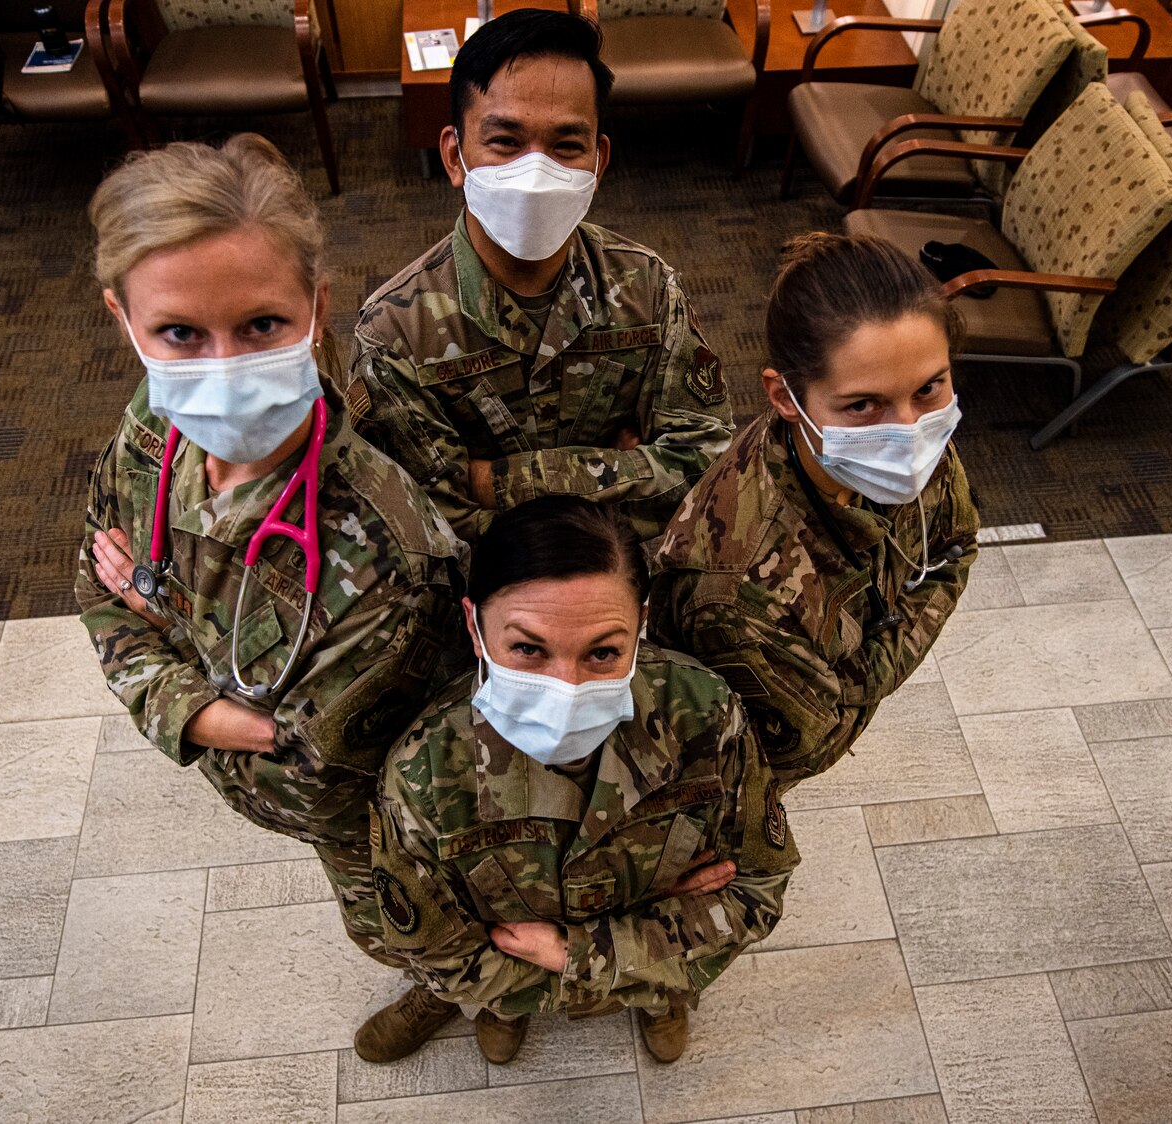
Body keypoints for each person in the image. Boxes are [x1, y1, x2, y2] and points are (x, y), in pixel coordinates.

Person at [76, 135, 464, 971]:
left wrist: (163, 625)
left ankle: (454, 989)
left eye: (261, 325)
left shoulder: (390, 554)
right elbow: (97, 590)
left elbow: (310, 767)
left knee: (406, 927)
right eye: (179, 332)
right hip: (267, 793)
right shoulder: (152, 425)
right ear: (124, 320)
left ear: (316, 310)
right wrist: (204, 707)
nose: (223, 370)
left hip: (368, 815)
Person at [355, 496, 796, 1068]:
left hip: (599, 954)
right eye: (527, 649)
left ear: (641, 624)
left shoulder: (705, 716)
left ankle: (658, 997)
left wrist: (572, 954)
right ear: (474, 625)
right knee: (483, 994)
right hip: (621, 955)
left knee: (650, 978)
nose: (566, 686)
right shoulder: (424, 770)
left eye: (603, 652)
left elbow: (757, 890)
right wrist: (637, 956)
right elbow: (437, 951)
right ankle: (511, 1008)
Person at [347, 9, 733, 545]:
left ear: (598, 162)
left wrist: (490, 482)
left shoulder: (647, 288)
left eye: (566, 146)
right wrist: (621, 471)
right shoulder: (395, 334)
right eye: (505, 142)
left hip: (620, 585)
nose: (535, 172)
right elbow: (420, 524)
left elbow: (705, 465)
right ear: (455, 157)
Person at [649, 233, 980, 789]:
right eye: (862, 405)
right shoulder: (735, 589)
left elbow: (956, 547)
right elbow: (812, 746)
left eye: (929, 388)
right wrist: (876, 669)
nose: (908, 433)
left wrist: (857, 674)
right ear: (785, 398)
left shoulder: (915, 427)